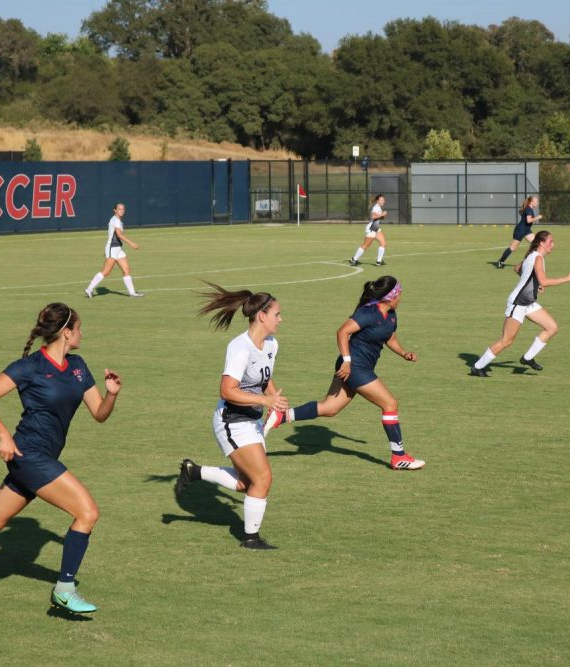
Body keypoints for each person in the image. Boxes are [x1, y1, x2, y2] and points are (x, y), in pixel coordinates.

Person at [0, 303, 122, 614]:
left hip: (38, 458)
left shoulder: (79, 366)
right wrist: (3, 435)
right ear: (67, 332)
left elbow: (99, 415)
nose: (83, 333)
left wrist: (111, 394)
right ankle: (64, 590)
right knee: (88, 512)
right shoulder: (29, 367)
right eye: (79, 327)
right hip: (29, 455)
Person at [262, 275, 425, 471]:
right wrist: (347, 361)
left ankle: (282, 416)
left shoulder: (390, 314)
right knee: (390, 403)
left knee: (329, 408)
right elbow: (342, 332)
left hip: (358, 367)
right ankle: (399, 456)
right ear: (392, 296)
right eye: (400, 294)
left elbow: (390, 337)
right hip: (354, 367)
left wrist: (403, 353)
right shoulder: (368, 312)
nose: (402, 298)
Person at [174, 283, 287, 550]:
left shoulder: (271, 343)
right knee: (262, 479)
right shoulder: (240, 348)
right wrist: (265, 399)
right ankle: (250, 539)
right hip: (231, 421)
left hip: (252, 420)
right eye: (277, 314)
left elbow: (264, 376)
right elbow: (227, 390)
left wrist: (274, 399)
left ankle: (194, 472)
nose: (280, 319)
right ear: (262, 316)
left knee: (244, 483)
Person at [471, 231, 570, 377]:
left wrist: (535, 284)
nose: (553, 244)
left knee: (551, 327)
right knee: (506, 341)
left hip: (528, 303)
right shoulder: (537, 258)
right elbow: (544, 281)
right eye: (551, 241)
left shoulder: (533, 256)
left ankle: (527, 358)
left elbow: (517, 268)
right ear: (541, 243)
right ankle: (477, 366)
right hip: (518, 303)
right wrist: (566, 279)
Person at [84, 202, 144, 298]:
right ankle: (89, 289)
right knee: (106, 272)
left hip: (118, 249)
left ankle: (132, 293)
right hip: (112, 248)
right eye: (119, 209)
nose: (122, 211)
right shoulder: (115, 220)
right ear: (115, 210)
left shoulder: (118, 220)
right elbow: (119, 235)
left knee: (126, 270)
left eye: (123, 209)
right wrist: (131, 243)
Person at [496, 196, 542, 268]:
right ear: (531, 202)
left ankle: (527, 262)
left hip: (526, 230)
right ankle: (501, 261)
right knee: (512, 248)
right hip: (520, 231)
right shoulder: (529, 209)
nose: (537, 203)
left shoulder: (529, 208)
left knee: (536, 244)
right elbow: (528, 220)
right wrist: (537, 217)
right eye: (536, 202)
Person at [349, 194, 388, 267]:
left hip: (376, 228)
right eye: (382, 200)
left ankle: (378, 261)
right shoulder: (376, 207)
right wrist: (382, 214)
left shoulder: (379, 207)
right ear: (377, 201)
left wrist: (382, 216)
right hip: (372, 228)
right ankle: (354, 259)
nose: (384, 201)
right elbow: (373, 216)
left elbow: (377, 218)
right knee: (366, 245)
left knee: (383, 243)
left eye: (384, 200)